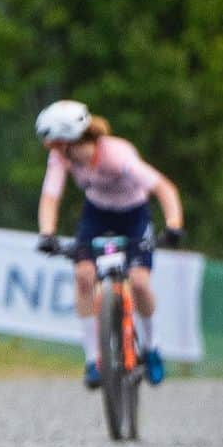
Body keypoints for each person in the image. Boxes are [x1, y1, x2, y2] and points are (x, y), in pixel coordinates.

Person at [34, 100, 184, 389]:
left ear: (68, 140)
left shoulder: (116, 155)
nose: (50, 150)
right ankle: (93, 359)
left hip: (134, 215)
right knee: (83, 276)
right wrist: (47, 233)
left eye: (53, 143)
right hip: (96, 215)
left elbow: (164, 188)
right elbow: (50, 196)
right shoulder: (61, 158)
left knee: (139, 282)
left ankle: (152, 346)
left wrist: (174, 225)